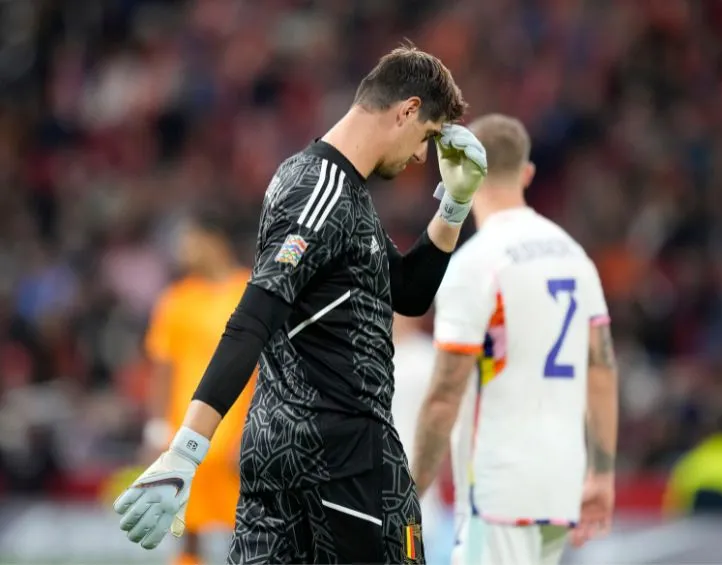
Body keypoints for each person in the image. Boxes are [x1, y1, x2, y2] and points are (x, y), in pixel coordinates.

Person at [113, 44, 488, 565]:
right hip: (346, 463)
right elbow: (253, 317)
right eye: (426, 137)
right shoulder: (326, 191)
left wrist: (454, 205)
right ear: (406, 110)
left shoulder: (325, 184)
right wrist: (186, 450)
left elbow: (405, 293)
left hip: (281, 459)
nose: (423, 158)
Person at [411, 114, 619, 565]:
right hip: (562, 485)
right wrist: (602, 474)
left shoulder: (475, 264)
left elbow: (446, 395)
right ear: (526, 174)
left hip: (500, 491)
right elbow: (601, 370)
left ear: (464, 174)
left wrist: (411, 494)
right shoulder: (573, 255)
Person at [142, 210, 255, 565]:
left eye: (188, 241)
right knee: (186, 528)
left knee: (250, 525)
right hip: (186, 435)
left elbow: (266, 367)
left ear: (213, 240)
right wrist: (157, 428)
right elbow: (163, 368)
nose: (181, 251)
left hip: (235, 433)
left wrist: (253, 429)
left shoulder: (250, 292)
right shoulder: (176, 300)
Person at [390, 314, 451, 561]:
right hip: (384, 511)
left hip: (414, 515)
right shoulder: (366, 358)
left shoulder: (427, 358)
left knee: (410, 555)